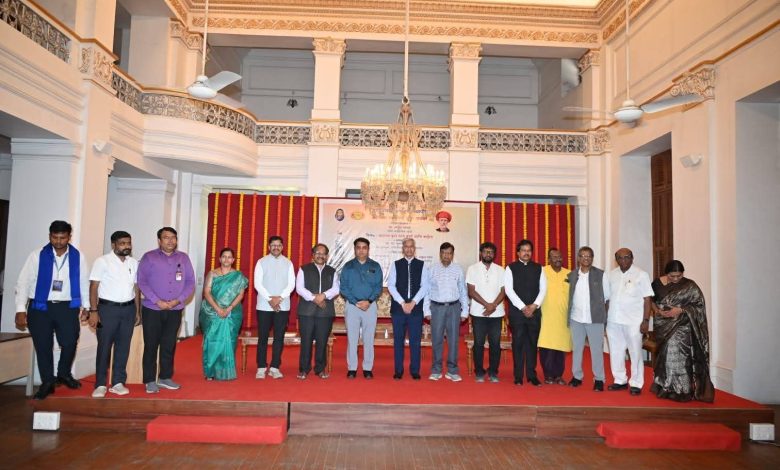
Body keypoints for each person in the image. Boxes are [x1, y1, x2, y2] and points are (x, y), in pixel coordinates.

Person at [15, 220, 90, 400]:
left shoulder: (78, 256)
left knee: (70, 341)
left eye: (62, 237)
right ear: (49, 236)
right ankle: (47, 382)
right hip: (40, 307)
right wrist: (20, 309)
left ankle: (63, 373)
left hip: (67, 307)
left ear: (69, 237)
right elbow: (23, 282)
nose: (58, 241)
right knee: (43, 346)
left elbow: (83, 282)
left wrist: (87, 306)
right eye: (54, 237)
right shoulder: (37, 255)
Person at [138, 227, 196, 394]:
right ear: (159, 240)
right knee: (151, 345)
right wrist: (158, 301)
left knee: (169, 344)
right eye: (166, 238)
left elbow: (190, 282)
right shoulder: (149, 257)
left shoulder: (183, 258)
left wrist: (178, 300)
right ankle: (149, 380)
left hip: (175, 309)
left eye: (173, 238)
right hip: (152, 309)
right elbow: (142, 281)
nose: (170, 241)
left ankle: (165, 377)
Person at [650, 260, 715, 402]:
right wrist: (657, 311)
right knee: (665, 357)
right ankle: (665, 387)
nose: (676, 279)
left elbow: (699, 305)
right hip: (663, 326)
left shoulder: (690, 285)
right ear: (666, 274)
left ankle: (682, 390)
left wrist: (681, 310)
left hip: (682, 327)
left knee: (681, 357)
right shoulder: (657, 283)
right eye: (672, 276)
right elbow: (651, 300)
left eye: (679, 276)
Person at [88, 231, 140, 398]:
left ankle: (118, 382)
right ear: (113, 245)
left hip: (128, 310)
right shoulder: (102, 261)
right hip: (107, 309)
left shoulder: (134, 262)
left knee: (123, 347)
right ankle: (100, 384)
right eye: (122, 243)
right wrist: (93, 311)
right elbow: (94, 287)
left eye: (128, 243)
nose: (126, 246)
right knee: (104, 347)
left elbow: (136, 288)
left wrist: (137, 311)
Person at [606, 248, 654, 396]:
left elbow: (647, 299)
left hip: (634, 321)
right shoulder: (611, 275)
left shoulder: (641, 274)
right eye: (620, 258)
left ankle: (636, 383)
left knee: (635, 352)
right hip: (613, 320)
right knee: (616, 351)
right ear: (616, 260)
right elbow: (607, 299)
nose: (624, 260)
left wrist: (646, 320)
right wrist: (605, 318)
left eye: (627, 257)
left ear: (632, 258)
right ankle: (620, 380)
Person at [200, 247, 248, 381]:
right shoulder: (212, 274)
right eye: (224, 257)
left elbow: (240, 294)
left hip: (232, 313)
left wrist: (229, 308)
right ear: (220, 259)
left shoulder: (238, 276)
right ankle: (210, 371)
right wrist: (218, 309)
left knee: (230, 341)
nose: (226, 259)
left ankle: (224, 370)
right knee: (212, 341)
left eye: (229, 257)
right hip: (213, 312)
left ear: (233, 260)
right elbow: (207, 292)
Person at [567, 246, 610, 391]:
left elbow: (607, 298)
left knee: (596, 350)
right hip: (576, 318)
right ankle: (577, 376)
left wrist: (605, 319)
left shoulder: (601, 275)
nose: (586, 258)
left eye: (589, 256)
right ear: (578, 258)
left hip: (595, 319)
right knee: (577, 349)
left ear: (592, 258)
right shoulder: (572, 275)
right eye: (583, 256)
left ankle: (599, 379)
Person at [504, 239, 547, 386]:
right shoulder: (510, 268)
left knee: (532, 344)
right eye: (523, 250)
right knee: (518, 344)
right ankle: (518, 376)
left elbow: (543, 289)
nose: (526, 253)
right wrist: (523, 307)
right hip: (517, 314)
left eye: (529, 250)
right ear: (518, 253)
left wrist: (534, 306)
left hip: (534, 313)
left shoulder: (539, 268)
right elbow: (509, 291)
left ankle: (531, 375)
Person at [424, 242, 469, 382]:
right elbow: (426, 291)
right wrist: (426, 310)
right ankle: (436, 370)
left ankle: (452, 370)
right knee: (437, 339)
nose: (446, 256)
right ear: (440, 254)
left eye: (449, 253)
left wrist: (465, 311)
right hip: (436, 308)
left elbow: (463, 290)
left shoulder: (458, 269)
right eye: (444, 253)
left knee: (453, 340)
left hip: (454, 308)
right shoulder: (432, 269)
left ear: (452, 255)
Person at [339, 237, 383, 379]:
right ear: (355, 249)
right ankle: (352, 368)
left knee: (368, 338)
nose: (361, 250)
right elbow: (343, 287)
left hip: (370, 306)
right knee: (352, 338)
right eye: (358, 247)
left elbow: (378, 287)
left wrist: (368, 301)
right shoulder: (348, 266)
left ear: (368, 249)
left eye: (364, 248)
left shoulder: (375, 266)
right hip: (352, 306)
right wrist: (355, 302)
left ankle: (367, 368)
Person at [253, 236, 295, 379]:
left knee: (279, 337)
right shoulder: (261, 262)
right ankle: (261, 367)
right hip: (264, 305)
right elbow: (257, 284)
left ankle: (275, 367)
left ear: (282, 247)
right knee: (263, 337)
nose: (276, 247)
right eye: (273, 245)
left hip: (282, 306)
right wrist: (270, 299)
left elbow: (291, 284)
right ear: (269, 247)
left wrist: (279, 298)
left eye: (278, 245)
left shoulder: (288, 263)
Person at [387, 238, 430, 380]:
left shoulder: (422, 265)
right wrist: (402, 303)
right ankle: (398, 370)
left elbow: (425, 286)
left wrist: (413, 303)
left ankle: (415, 370)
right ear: (403, 249)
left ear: (415, 248)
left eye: (412, 246)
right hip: (398, 310)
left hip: (415, 310)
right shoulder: (396, 264)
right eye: (406, 246)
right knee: (398, 341)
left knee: (415, 341)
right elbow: (391, 286)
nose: (409, 249)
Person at [295, 243, 339, 379]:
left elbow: (336, 289)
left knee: (322, 341)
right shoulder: (304, 269)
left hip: (325, 312)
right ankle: (304, 369)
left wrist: (323, 296)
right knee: (306, 341)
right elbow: (299, 288)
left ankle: (320, 369)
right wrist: (314, 298)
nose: (320, 256)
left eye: (323, 253)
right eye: (318, 253)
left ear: (327, 256)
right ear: (313, 255)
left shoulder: (332, 271)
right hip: (306, 311)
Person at [466, 242, 506, 383]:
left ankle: (493, 372)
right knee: (479, 343)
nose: (488, 254)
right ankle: (479, 372)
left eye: (491, 252)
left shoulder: (501, 270)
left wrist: (493, 305)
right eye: (485, 251)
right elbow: (471, 291)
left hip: (496, 313)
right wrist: (486, 305)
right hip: (479, 313)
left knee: (495, 344)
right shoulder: (472, 269)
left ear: (494, 254)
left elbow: (504, 291)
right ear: (480, 253)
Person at [538, 248, 571, 385]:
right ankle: (548, 375)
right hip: (546, 316)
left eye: (559, 257)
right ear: (548, 259)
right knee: (547, 347)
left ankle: (558, 375)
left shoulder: (569, 274)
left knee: (560, 348)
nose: (558, 259)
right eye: (554, 257)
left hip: (563, 317)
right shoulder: (542, 272)